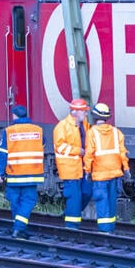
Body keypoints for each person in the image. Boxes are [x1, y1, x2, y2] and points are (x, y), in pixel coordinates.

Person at [0, 105, 44, 239]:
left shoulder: (9, 131)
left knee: (15, 200)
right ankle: (19, 228)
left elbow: (2, 154)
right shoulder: (38, 130)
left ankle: (17, 227)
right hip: (33, 173)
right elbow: (42, 145)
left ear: (15, 116)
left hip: (14, 173)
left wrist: (1, 173)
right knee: (28, 200)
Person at [83, 103, 129, 234]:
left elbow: (89, 154)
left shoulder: (92, 133)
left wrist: (87, 170)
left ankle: (104, 230)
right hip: (115, 173)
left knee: (101, 200)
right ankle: (111, 229)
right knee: (111, 200)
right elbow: (123, 152)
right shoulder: (116, 132)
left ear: (95, 116)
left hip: (100, 175)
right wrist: (126, 168)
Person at [52, 98, 93, 229]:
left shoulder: (84, 125)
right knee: (74, 197)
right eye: (84, 111)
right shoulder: (62, 127)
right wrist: (78, 151)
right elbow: (59, 147)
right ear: (75, 112)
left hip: (82, 167)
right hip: (69, 169)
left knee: (87, 192)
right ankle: (71, 226)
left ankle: (69, 214)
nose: (86, 114)